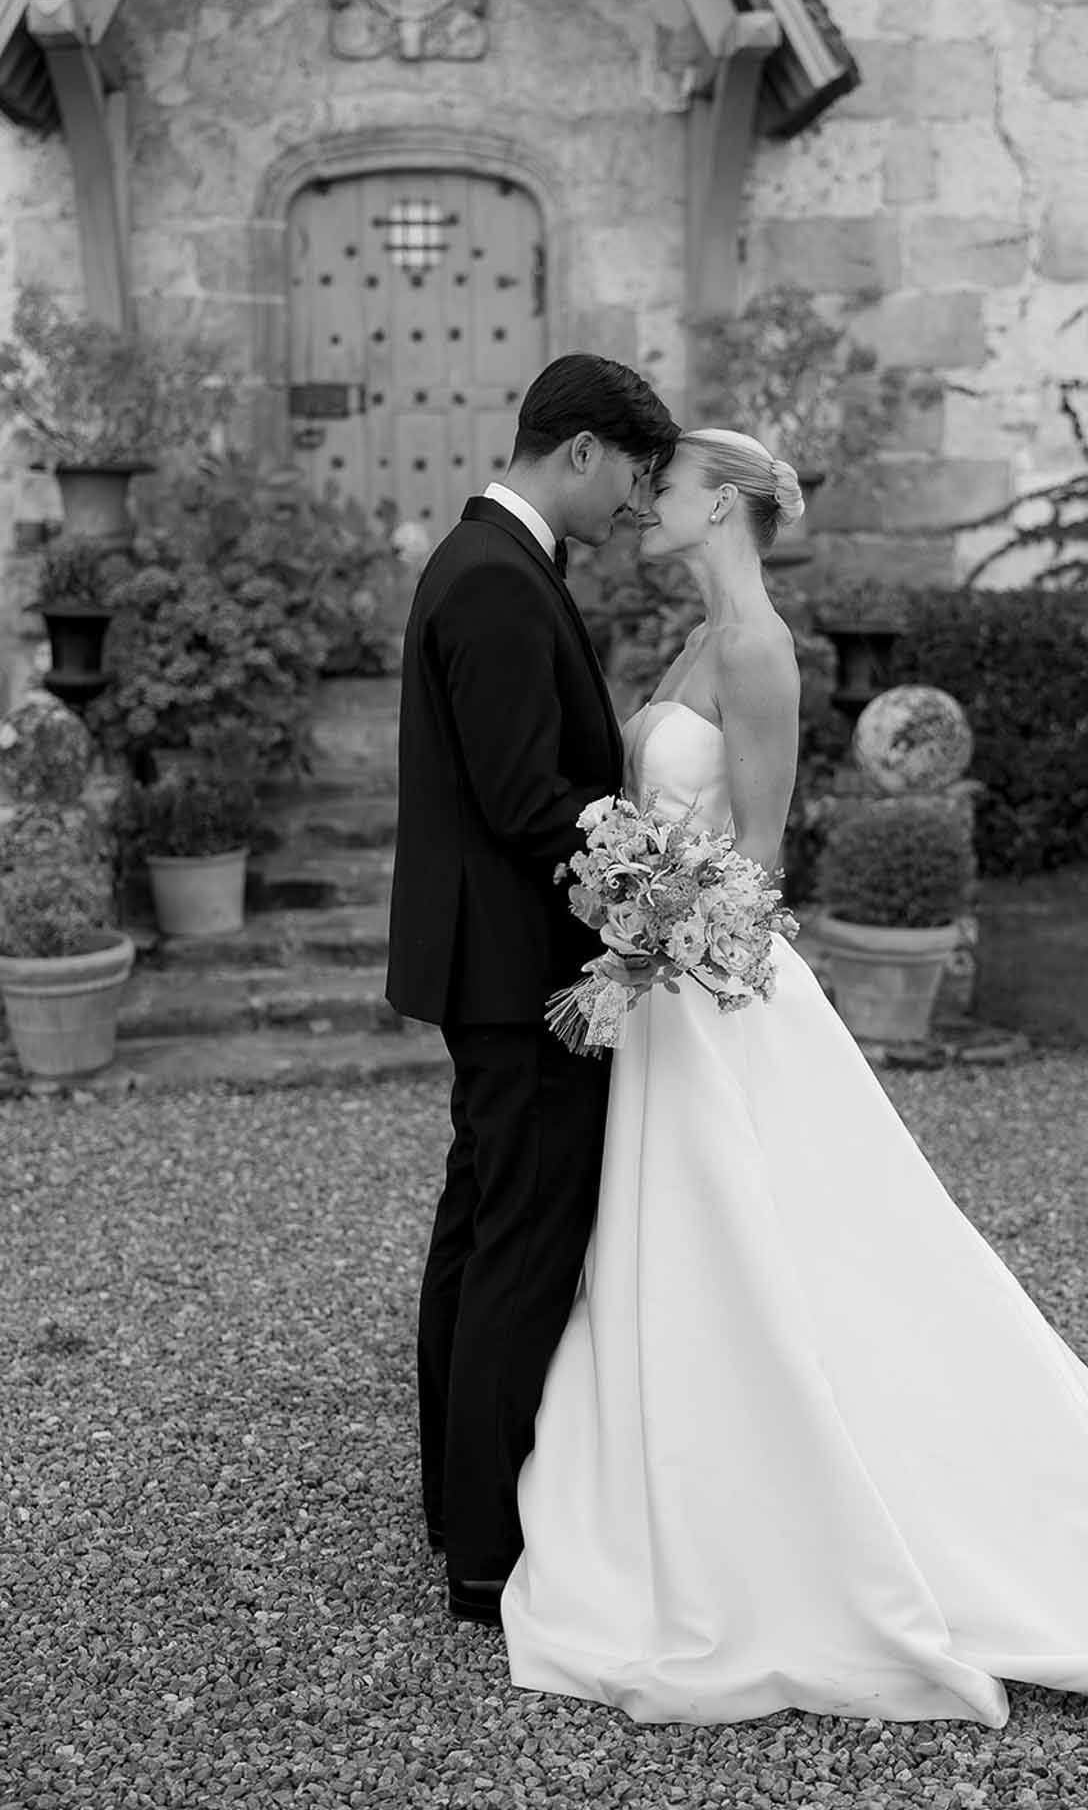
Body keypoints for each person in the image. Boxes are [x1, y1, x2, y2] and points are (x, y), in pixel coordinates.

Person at [498, 425, 1088, 1727]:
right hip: (671, 982)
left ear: (722, 503)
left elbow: (754, 859)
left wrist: (643, 946)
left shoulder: (756, 646)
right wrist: (629, 921)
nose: (642, 505)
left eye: (664, 487)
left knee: (782, 1242)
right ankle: (699, 1470)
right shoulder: (689, 635)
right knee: (703, 1243)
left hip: (713, 989)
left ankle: (820, 1489)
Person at [385, 353, 679, 1628]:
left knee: (480, 1215)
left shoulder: (490, 561)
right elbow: (522, 798)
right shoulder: (500, 580)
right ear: (579, 448)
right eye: (633, 474)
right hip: (520, 969)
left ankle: (461, 1504)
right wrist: (661, 877)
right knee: (523, 1235)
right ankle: (490, 1550)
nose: (635, 503)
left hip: (486, 962)